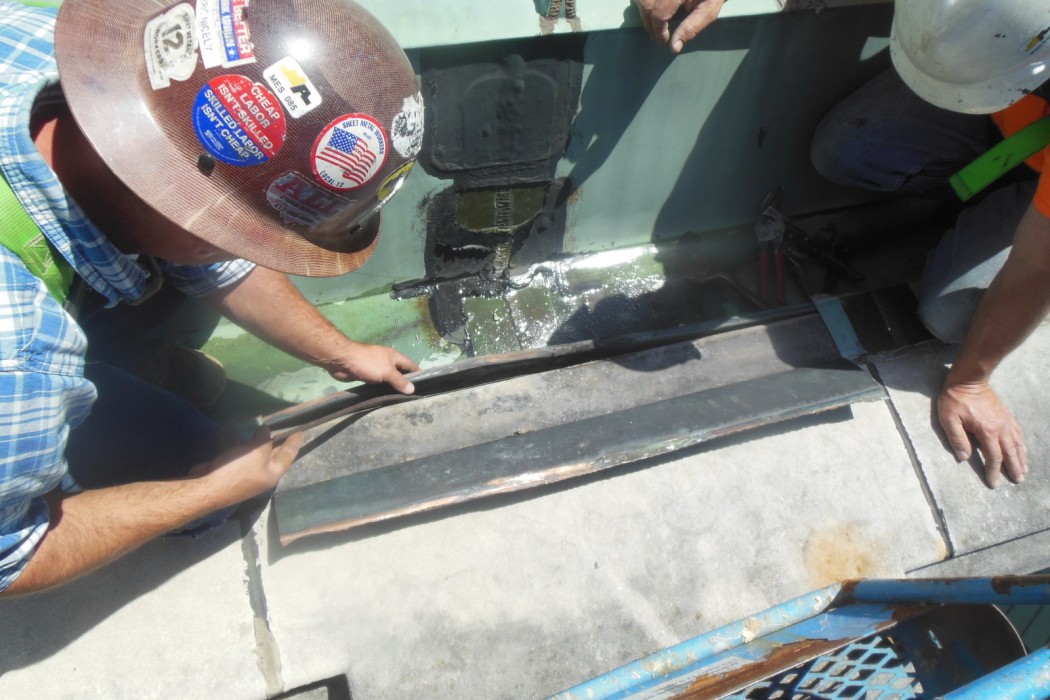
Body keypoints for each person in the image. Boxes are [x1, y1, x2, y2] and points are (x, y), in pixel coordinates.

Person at [0, 0, 426, 595]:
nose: (252, 253)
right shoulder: (21, 356)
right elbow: (12, 553)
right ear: (195, 224)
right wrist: (211, 490)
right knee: (196, 457)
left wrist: (341, 353)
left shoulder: (40, 39)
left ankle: (127, 369)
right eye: (251, 239)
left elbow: (210, 254)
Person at [811, 0, 1049, 488]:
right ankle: (979, 194)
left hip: (1034, 171)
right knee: (845, 151)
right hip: (1001, 103)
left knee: (950, 314)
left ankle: (1014, 205)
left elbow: (1036, 264)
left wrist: (970, 380)